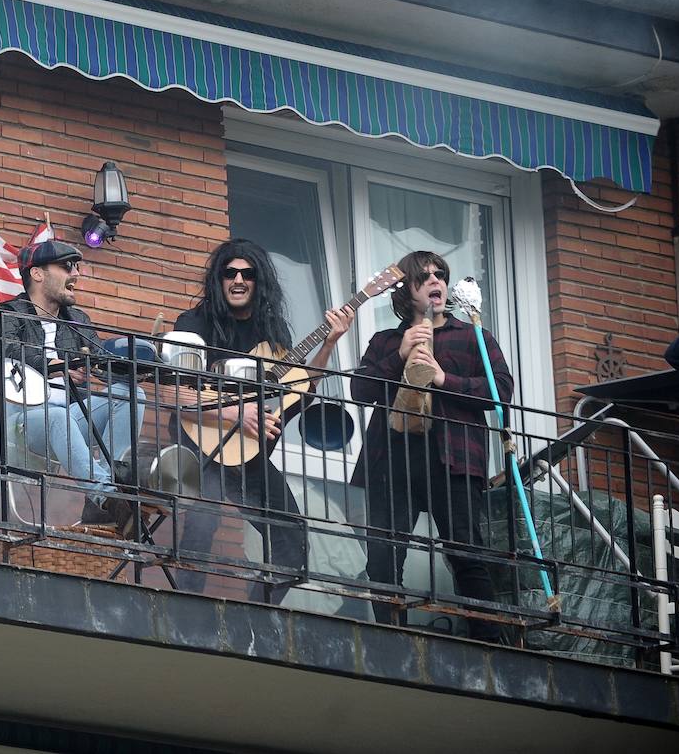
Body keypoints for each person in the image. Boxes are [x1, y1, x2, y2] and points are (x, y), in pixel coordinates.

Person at [172, 238, 354, 602]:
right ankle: (183, 609)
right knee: (203, 518)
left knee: (292, 545)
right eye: (230, 273)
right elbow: (177, 395)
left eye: (247, 273)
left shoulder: (273, 337)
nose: (238, 280)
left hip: (248, 458)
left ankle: (255, 619)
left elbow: (297, 392)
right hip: (201, 444)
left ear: (259, 281)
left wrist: (330, 343)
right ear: (219, 280)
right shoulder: (193, 324)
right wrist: (238, 414)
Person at [352, 250, 511, 643]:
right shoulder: (386, 340)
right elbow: (361, 390)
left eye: (440, 275)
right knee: (384, 556)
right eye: (424, 277)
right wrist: (401, 353)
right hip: (393, 457)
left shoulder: (472, 335)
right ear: (407, 290)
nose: (435, 281)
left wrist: (443, 378)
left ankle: (491, 646)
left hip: (452, 458)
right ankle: (392, 641)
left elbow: (501, 390)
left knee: (466, 554)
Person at [0, 240, 146, 536]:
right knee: (57, 416)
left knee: (130, 396)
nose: (76, 274)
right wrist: (55, 364)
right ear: (37, 274)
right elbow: (3, 356)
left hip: (71, 415)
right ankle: (104, 495)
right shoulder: (8, 314)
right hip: (22, 420)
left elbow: (101, 360)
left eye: (77, 267)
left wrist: (139, 364)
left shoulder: (77, 320)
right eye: (66, 266)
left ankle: (112, 491)